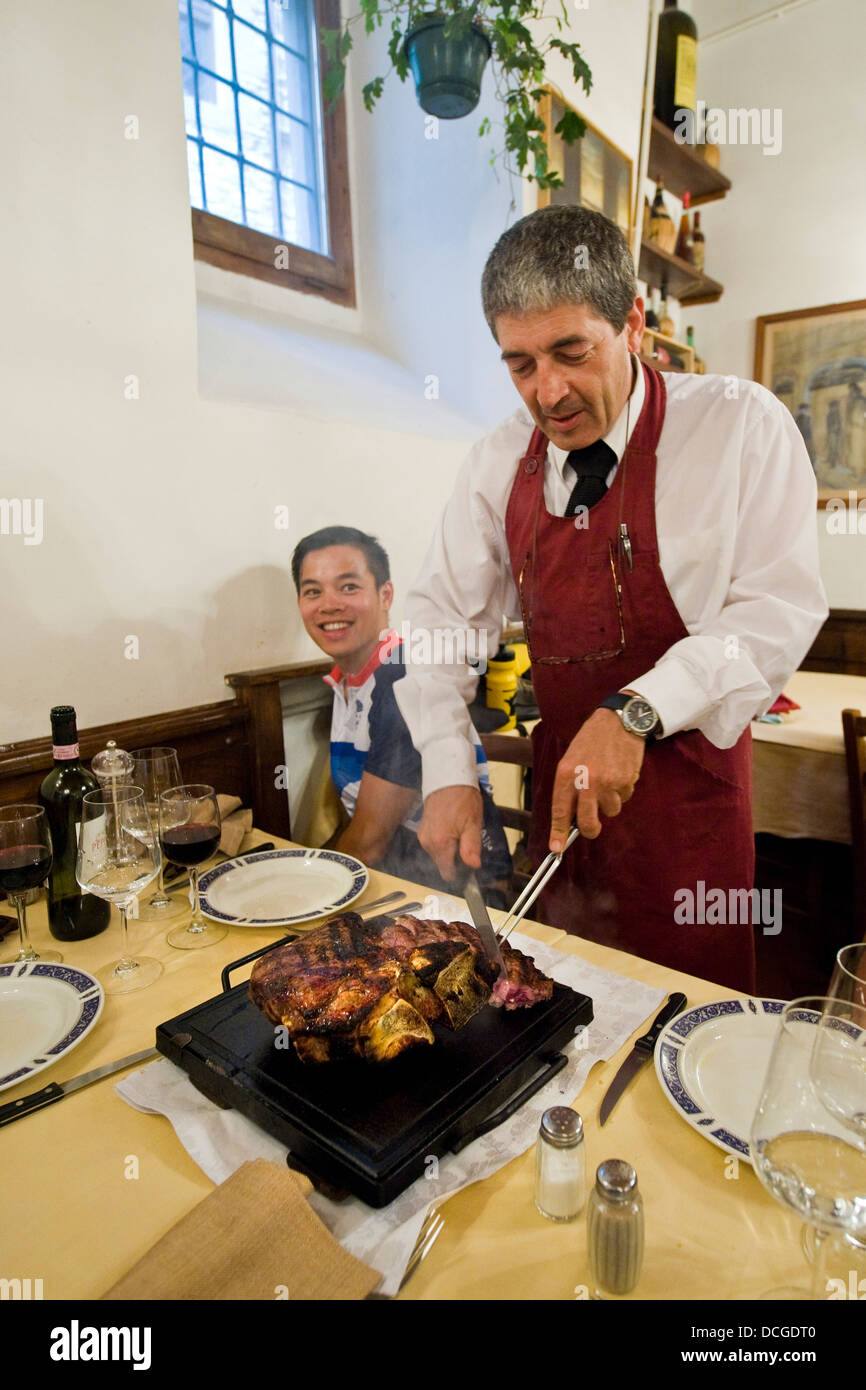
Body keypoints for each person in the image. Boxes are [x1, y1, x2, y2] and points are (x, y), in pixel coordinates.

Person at [393, 205, 829, 992]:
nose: (547, 391)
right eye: (520, 364)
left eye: (570, 351)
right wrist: (448, 767)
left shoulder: (738, 427)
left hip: (691, 812)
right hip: (565, 816)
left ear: (632, 322)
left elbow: (778, 610)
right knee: (557, 1018)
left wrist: (638, 709)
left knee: (686, 1030)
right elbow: (439, 626)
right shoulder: (496, 463)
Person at [292, 525, 512, 903]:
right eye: (313, 591)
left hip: (461, 898)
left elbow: (368, 845)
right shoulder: (347, 683)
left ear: (385, 594)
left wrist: (295, 890)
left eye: (348, 587)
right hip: (396, 882)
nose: (329, 604)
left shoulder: (403, 678)